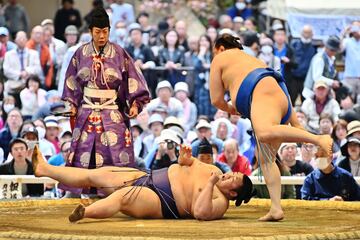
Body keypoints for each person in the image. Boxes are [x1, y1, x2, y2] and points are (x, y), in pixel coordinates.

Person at [209, 33, 333, 221]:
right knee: (266, 158)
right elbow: (277, 82)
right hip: (278, 96)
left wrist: (230, 108)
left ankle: (318, 139)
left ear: (220, 48)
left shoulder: (221, 57)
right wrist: (295, 122)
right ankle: (276, 208)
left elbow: (216, 99)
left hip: (260, 93)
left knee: (264, 132)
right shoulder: (253, 60)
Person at [32, 144, 254, 222]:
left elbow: (200, 213)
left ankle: (85, 213)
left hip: (162, 201)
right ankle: (44, 168)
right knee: (96, 175)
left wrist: (210, 184)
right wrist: (184, 157)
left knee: (123, 197)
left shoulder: (220, 202)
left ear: (233, 194)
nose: (228, 175)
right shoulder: (214, 169)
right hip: (151, 175)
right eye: (232, 173)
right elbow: (187, 163)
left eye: (232, 179)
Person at [61, 7, 150, 195]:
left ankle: (116, 193)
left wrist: (135, 103)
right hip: (87, 110)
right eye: (97, 32)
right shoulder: (80, 53)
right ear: (90, 31)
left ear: (109, 31)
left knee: (116, 153)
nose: (101, 36)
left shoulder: (119, 53)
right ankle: (81, 192)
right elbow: (71, 83)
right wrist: (72, 104)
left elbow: (133, 79)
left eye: (105, 32)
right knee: (83, 151)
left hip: (111, 111)